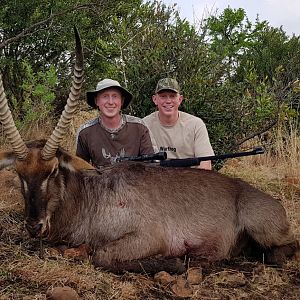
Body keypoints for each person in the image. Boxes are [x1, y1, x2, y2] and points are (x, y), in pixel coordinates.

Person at [76, 78, 154, 168]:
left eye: (115, 96)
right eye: (105, 96)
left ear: (122, 101)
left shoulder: (139, 127)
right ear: (96, 101)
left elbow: (150, 168)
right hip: (101, 181)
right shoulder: (85, 132)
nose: (110, 102)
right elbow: (80, 171)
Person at [143, 78, 214, 170]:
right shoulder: (144, 125)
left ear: (180, 99)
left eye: (172, 96)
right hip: (156, 179)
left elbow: (206, 164)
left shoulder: (196, 124)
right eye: (163, 96)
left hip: (190, 179)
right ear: (155, 99)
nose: (168, 101)